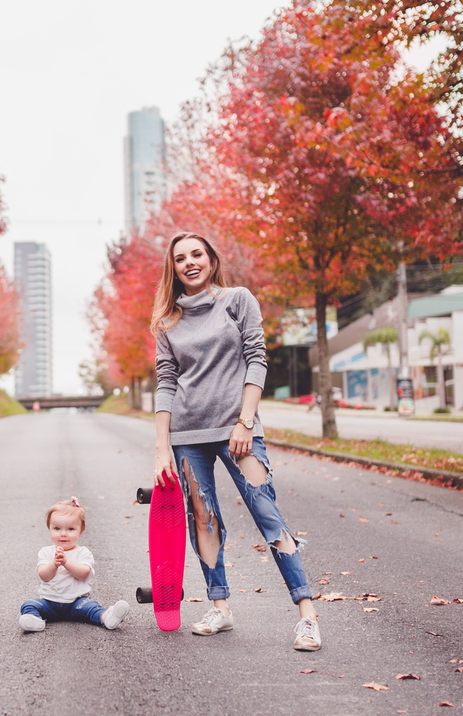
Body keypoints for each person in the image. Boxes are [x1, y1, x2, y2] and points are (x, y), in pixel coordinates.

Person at [151, 231, 321, 651]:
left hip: (238, 431)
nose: (189, 262)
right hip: (187, 436)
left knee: (267, 513)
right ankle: (220, 608)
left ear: (211, 259)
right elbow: (166, 384)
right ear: (172, 268)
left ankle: (307, 616)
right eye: (180, 258)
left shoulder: (237, 300)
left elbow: (256, 358)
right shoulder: (167, 323)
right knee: (203, 520)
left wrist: (245, 422)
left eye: (197, 254)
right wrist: (161, 447)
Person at [19, 498, 130, 632]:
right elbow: (44, 575)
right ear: (49, 529)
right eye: (57, 529)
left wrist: (65, 562)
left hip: (77, 603)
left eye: (70, 529)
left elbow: (84, 573)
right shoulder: (46, 552)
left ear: (81, 530)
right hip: (49, 603)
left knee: (91, 607)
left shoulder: (83, 553)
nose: (63, 534)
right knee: (29, 605)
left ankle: (106, 617)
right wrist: (54, 564)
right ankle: (35, 621)